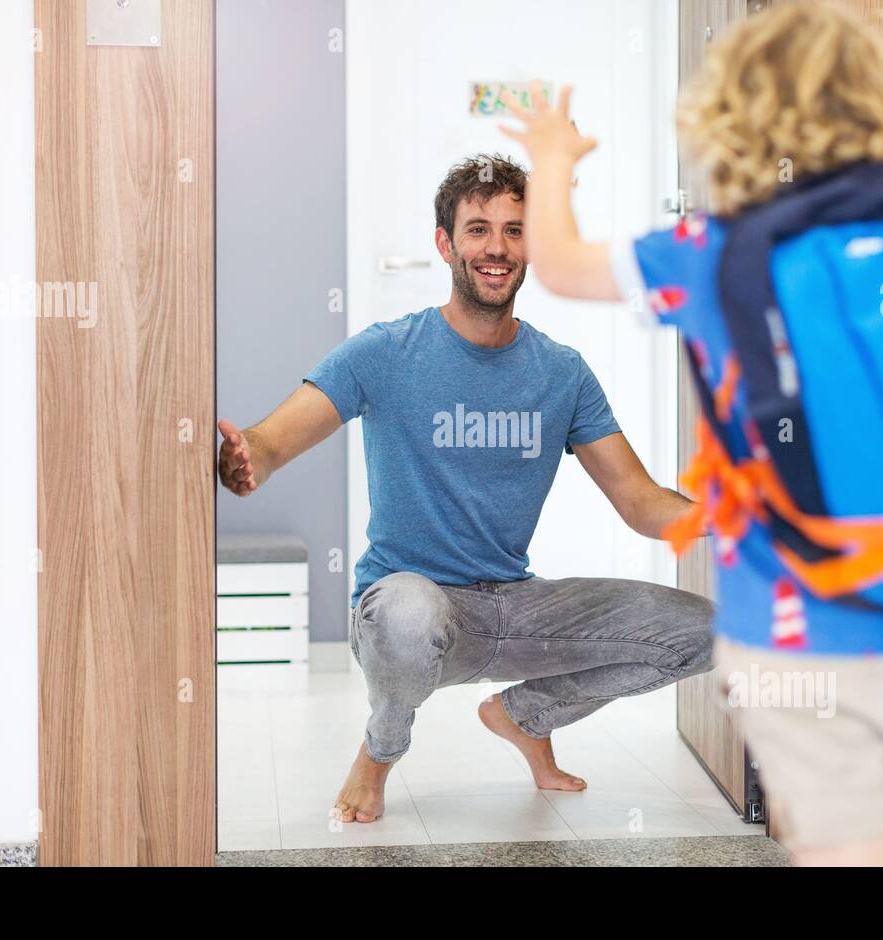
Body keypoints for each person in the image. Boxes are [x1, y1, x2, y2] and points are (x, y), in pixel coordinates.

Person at [499, 2, 883, 865]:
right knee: (855, 794)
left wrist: (551, 156)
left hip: (796, 592)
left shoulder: (715, 248)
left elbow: (565, 263)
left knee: (835, 814)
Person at [217, 154, 714, 824]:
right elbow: (272, 442)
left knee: (712, 633)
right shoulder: (386, 353)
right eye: (478, 229)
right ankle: (378, 752)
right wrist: (243, 461)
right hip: (407, 606)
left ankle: (526, 715)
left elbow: (642, 503)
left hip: (514, 606)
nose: (497, 248)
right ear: (445, 244)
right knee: (409, 614)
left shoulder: (562, 374)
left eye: (514, 230)